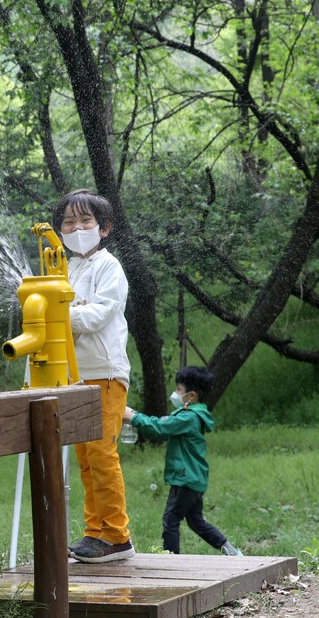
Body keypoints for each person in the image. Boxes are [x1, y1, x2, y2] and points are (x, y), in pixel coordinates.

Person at [56, 189, 135, 563]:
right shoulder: (64, 269)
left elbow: (97, 315)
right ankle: (95, 533)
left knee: (102, 455)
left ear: (104, 228)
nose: (77, 228)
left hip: (105, 373)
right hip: (73, 377)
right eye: (69, 222)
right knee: (85, 459)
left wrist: (60, 315)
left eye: (86, 221)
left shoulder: (109, 267)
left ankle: (117, 537)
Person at [123, 366, 244, 556]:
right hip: (194, 478)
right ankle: (231, 551)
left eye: (179, 389)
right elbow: (163, 423)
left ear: (191, 396)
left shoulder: (188, 418)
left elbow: (160, 428)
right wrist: (136, 416)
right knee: (196, 521)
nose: (175, 393)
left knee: (170, 519)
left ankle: (171, 560)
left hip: (185, 478)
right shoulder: (192, 416)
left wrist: (133, 417)